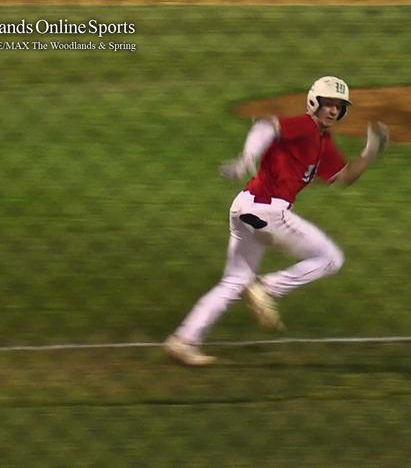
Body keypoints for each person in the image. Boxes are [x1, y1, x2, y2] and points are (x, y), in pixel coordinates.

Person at [164, 76, 390, 366]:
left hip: (245, 208)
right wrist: (247, 159)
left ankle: (183, 340)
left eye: (339, 107)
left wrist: (369, 153)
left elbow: (343, 177)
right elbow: (266, 125)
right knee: (331, 258)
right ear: (314, 103)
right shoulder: (307, 126)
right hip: (268, 212)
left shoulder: (323, 141)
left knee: (234, 280)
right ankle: (267, 288)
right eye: (328, 104)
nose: (333, 111)